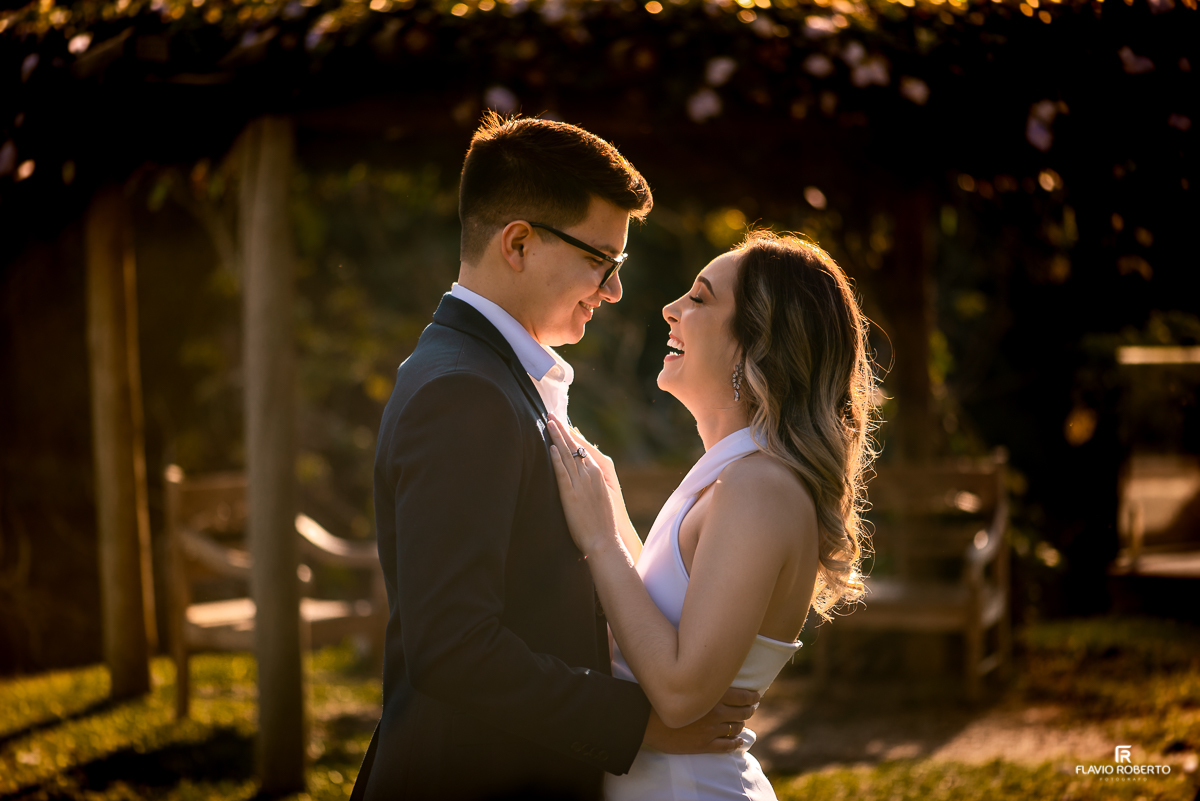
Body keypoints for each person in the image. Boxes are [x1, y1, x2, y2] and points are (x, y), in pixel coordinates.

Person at [351, 113, 761, 801]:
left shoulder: (494, 374)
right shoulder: (463, 392)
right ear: (518, 243)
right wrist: (641, 725)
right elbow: (452, 646)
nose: (615, 290)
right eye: (602, 260)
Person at [546, 230, 877, 800]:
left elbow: (680, 695)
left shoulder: (759, 488)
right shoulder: (735, 475)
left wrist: (602, 540)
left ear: (755, 348)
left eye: (699, 298)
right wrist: (613, 507)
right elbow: (663, 619)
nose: (671, 309)